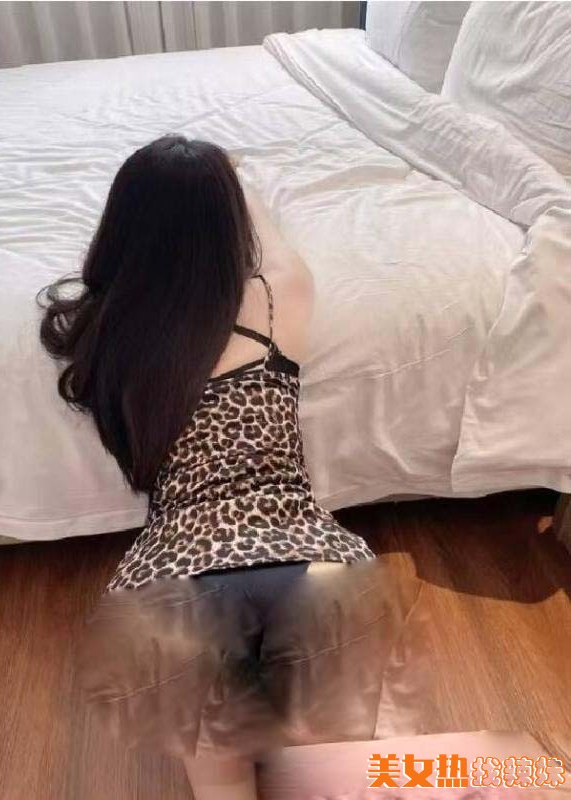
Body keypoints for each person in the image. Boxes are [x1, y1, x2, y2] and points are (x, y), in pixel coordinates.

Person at [38, 135, 400, 800]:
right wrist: (236, 177)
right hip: (313, 562)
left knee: (222, 779)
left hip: (173, 580)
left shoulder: (100, 328)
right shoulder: (275, 298)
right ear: (228, 223)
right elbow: (273, 241)